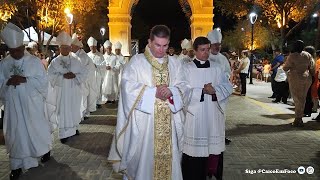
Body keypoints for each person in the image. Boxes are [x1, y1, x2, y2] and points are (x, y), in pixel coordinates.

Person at [108, 25, 190, 180]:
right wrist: (153, 92)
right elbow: (127, 87)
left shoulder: (175, 63)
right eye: (157, 45)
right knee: (143, 164)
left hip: (169, 125)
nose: (161, 50)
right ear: (149, 42)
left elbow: (185, 86)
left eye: (165, 45)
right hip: (144, 125)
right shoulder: (136, 62)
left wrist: (172, 91)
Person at [0, 23, 52, 180]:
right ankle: (16, 166)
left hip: (31, 105)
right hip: (13, 107)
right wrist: (8, 83)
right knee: (15, 134)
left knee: (34, 131)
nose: (16, 54)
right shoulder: (4, 64)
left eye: (18, 50)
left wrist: (24, 79)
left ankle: (41, 152)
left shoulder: (34, 62)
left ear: (23, 47)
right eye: (12, 51)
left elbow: (43, 82)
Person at [181, 36, 233, 180]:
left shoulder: (217, 68)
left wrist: (215, 90)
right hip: (195, 116)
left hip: (213, 116)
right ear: (195, 51)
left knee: (213, 148)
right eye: (202, 50)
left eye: (208, 49)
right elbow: (182, 91)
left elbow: (227, 87)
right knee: (195, 155)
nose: (206, 53)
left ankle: (212, 172)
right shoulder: (186, 68)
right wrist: (201, 91)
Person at [47, 31, 88, 143]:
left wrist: (74, 75)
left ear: (70, 47)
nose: (65, 50)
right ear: (59, 48)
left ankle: (73, 129)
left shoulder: (76, 60)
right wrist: (63, 76)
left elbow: (84, 73)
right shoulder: (54, 62)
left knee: (73, 109)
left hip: (74, 90)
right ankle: (64, 134)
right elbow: (50, 76)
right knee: (63, 111)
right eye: (63, 48)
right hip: (61, 92)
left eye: (67, 47)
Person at [283, 40, 314, 127]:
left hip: (295, 78)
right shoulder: (308, 55)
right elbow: (312, 66)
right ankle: (299, 118)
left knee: (297, 99)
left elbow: (285, 68)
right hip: (307, 78)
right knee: (303, 98)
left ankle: (298, 119)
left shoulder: (292, 55)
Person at [71, 34, 98, 119]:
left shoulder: (83, 56)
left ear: (77, 47)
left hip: (83, 81)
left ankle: (82, 115)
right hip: (75, 81)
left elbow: (79, 68)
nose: (71, 47)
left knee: (82, 98)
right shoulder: (72, 54)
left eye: (72, 46)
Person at [87, 37, 105, 108]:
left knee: (98, 88)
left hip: (98, 74)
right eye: (91, 47)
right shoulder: (87, 55)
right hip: (90, 75)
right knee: (91, 89)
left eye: (94, 47)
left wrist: (96, 66)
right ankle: (91, 103)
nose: (93, 48)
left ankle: (98, 102)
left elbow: (103, 65)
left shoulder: (100, 56)